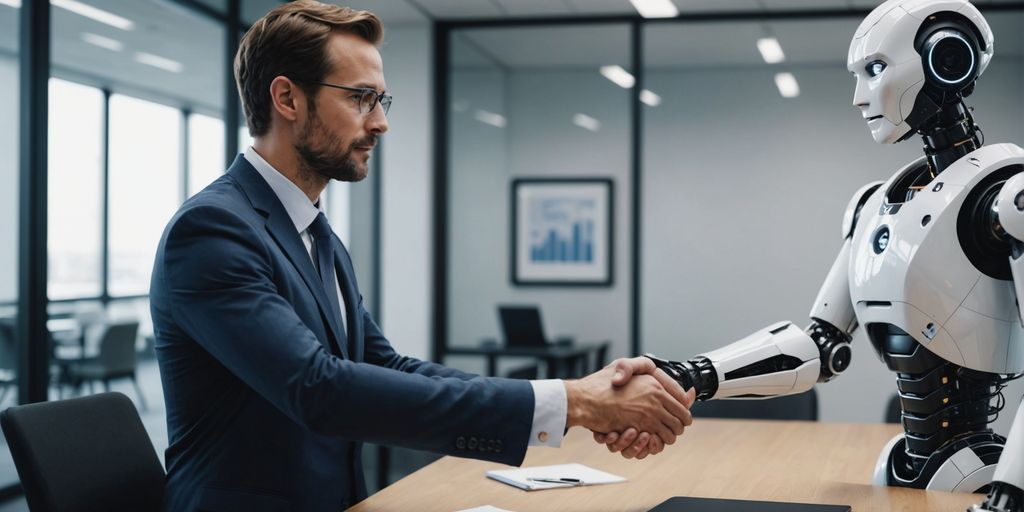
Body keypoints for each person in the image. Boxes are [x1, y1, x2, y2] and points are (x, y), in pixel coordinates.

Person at [149, 2, 694, 510]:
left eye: (380, 101)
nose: (380, 122)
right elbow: (320, 390)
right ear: (287, 99)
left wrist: (565, 403)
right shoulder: (213, 230)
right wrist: (573, 401)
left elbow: (383, 366)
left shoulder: (315, 233)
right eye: (360, 98)